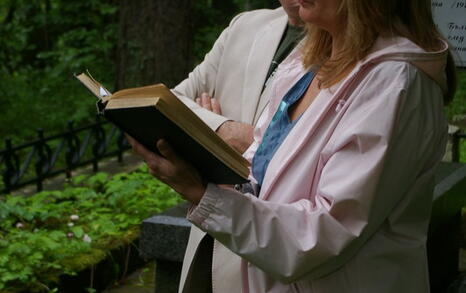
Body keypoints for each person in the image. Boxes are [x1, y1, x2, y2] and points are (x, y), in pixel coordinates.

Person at [130, 0, 457, 292]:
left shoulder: (394, 83)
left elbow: (325, 236)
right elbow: (263, 178)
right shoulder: (309, 62)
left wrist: (204, 196)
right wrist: (202, 163)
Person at [170, 2, 305, 292]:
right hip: (207, 234)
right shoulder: (245, 26)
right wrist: (222, 127)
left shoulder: (349, 45)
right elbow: (172, 101)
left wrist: (203, 125)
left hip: (276, 252)